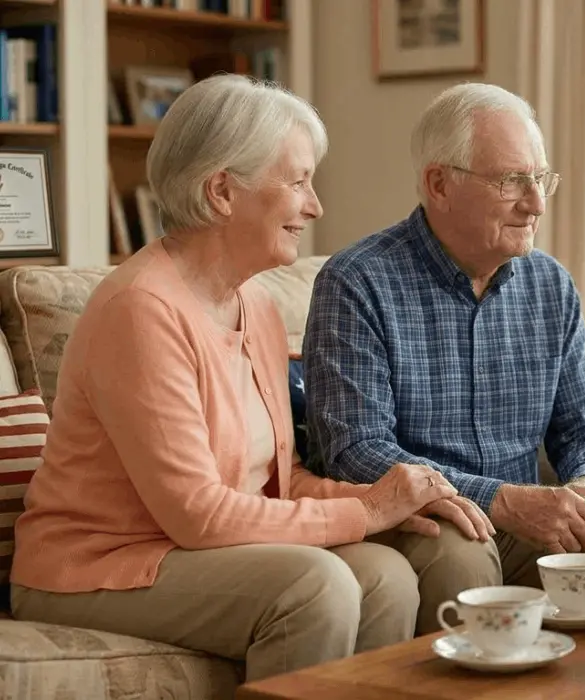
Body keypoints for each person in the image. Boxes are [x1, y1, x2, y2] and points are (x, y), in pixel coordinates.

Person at [10, 75, 489, 682]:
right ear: (221, 191)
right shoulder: (141, 309)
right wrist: (366, 511)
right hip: (97, 565)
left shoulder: (255, 305)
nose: (315, 206)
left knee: (386, 576)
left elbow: (277, 483)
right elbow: (198, 516)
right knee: (315, 587)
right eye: (298, 182)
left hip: (187, 550)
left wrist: (398, 498)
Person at [302, 82, 585, 635]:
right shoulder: (357, 282)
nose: (536, 203)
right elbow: (355, 450)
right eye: (511, 181)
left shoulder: (550, 284)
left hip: (531, 524)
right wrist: (500, 501)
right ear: (439, 184)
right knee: (464, 552)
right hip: (429, 522)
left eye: (540, 178)